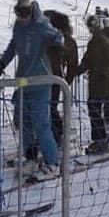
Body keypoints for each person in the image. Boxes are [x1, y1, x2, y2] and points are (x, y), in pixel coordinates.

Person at [0, 0, 64, 177]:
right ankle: (30, 156)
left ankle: (53, 161)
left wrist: (56, 46)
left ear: (31, 9)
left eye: (24, 13)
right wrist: (0, 65)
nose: (21, 17)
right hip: (23, 82)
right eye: (18, 13)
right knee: (23, 123)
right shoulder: (18, 28)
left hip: (40, 82)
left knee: (41, 123)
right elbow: (12, 47)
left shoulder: (41, 25)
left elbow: (58, 36)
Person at [78, 15, 109, 154]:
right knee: (94, 109)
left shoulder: (104, 41)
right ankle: (100, 139)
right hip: (97, 84)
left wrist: (105, 73)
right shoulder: (95, 41)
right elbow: (88, 58)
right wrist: (80, 68)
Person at [43, 9, 78, 145]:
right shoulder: (47, 37)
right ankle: (50, 135)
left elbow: (72, 64)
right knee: (47, 108)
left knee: (50, 108)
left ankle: (56, 135)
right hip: (50, 78)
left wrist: (65, 81)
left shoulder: (64, 40)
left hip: (54, 79)